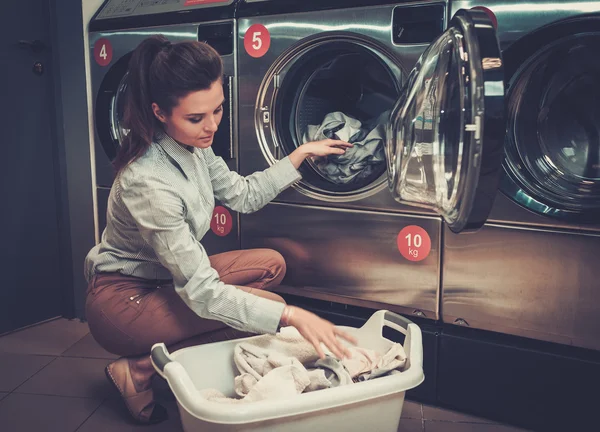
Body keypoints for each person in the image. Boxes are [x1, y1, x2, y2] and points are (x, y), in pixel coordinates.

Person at [84, 35, 356, 425]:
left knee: (271, 265)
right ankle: (140, 368)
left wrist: (300, 154)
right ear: (160, 112)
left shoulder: (193, 146)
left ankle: (180, 349)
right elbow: (202, 293)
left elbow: (244, 195)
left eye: (218, 110)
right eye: (196, 118)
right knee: (272, 311)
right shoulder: (148, 182)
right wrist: (293, 316)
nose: (211, 126)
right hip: (123, 302)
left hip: (163, 281)